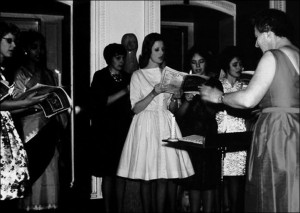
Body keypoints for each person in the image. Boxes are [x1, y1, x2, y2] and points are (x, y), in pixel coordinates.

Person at [200, 9, 299, 212]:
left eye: (257, 37)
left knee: (272, 190)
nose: (256, 44)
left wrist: (218, 97)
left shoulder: (272, 56)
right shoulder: (298, 53)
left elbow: (247, 99)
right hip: (296, 130)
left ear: (268, 32)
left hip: (278, 132)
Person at [117, 32, 194, 213]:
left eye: (162, 49)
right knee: (146, 175)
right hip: (145, 126)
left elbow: (172, 109)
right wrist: (154, 92)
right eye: (156, 49)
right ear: (148, 51)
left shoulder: (168, 74)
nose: (160, 53)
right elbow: (135, 108)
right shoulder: (138, 75)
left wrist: (176, 98)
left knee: (163, 176)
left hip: (165, 124)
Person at [11, 30, 68, 211]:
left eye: (41, 47)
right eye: (34, 47)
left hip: (49, 126)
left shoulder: (48, 73)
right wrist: (34, 101)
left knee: (50, 168)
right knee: (32, 169)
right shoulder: (20, 73)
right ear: (26, 49)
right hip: (29, 128)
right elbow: (14, 103)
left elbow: (55, 97)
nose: (39, 51)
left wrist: (60, 106)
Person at [0, 22, 48, 211]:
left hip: (6, 130)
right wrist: (28, 102)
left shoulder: (3, 70)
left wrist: (33, 101)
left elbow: (8, 109)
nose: (13, 45)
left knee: (8, 188)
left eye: (14, 41)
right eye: (8, 41)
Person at [175, 46, 222, 213]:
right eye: (194, 63)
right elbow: (178, 116)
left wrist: (204, 95)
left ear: (206, 63)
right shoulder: (186, 82)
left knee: (209, 180)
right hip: (191, 136)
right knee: (193, 181)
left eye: (201, 62)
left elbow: (213, 112)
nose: (198, 66)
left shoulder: (214, 83)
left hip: (209, 135)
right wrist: (187, 101)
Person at [90, 43, 133, 213]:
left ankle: (120, 208)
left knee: (121, 172)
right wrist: (125, 91)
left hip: (123, 130)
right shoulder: (100, 76)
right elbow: (101, 102)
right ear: (109, 58)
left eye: (123, 57)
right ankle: (107, 209)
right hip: (105, 131)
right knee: (108, 173)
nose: (122, 61)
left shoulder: (128, 77)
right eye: (118, 57)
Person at [216, 45, 252, 212]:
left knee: (237, 181)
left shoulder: (245, 88)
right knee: (222, 181)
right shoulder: (219, 86)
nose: (239, 68)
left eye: (240, 65)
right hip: (222, 136)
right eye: (235, 64)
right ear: (227, 66)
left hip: (239, 137)